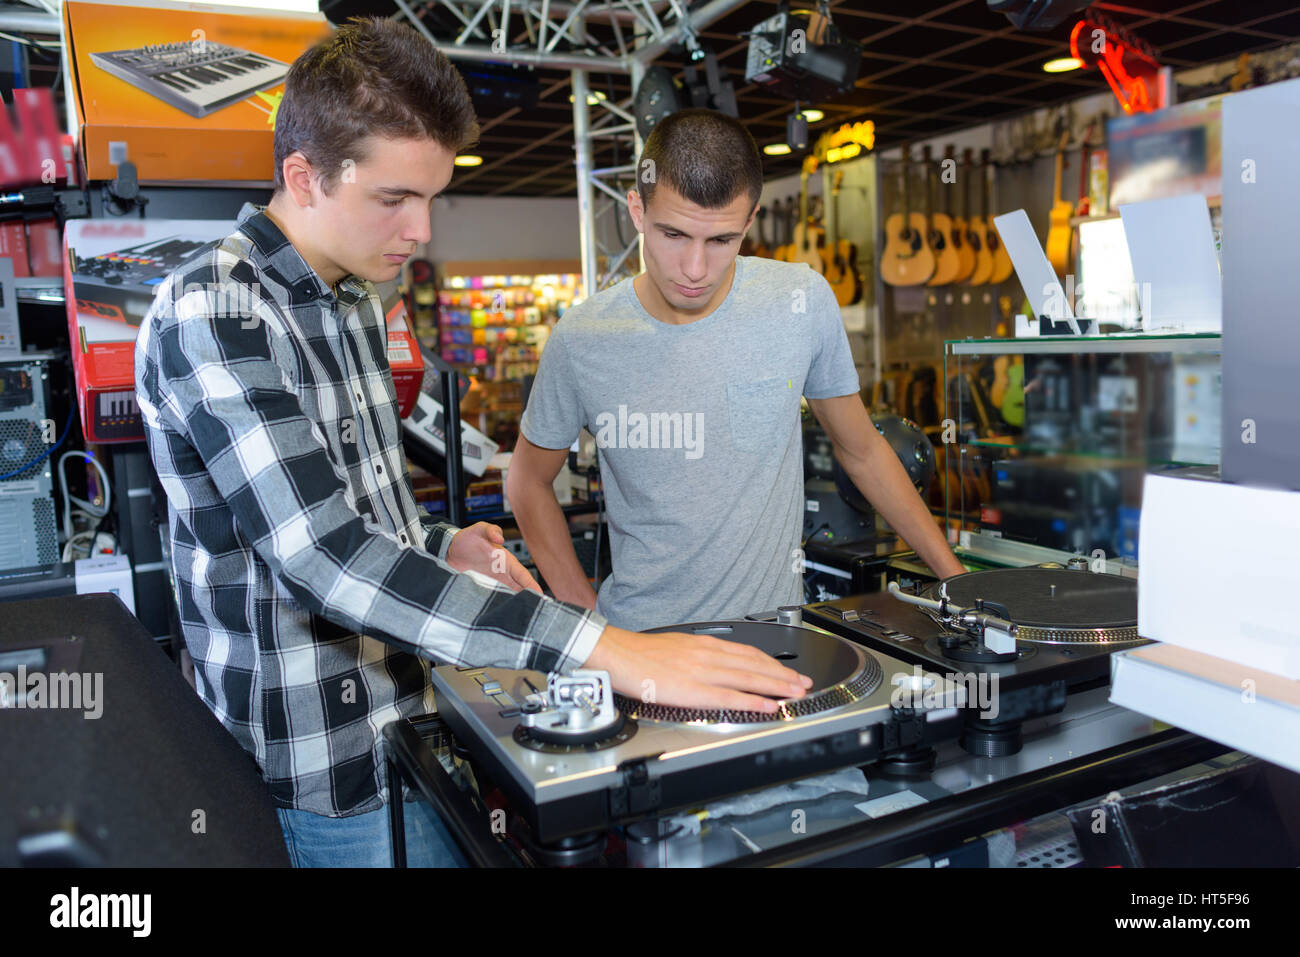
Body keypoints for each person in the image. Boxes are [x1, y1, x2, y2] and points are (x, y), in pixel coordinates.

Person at [134, 20, 810, 868]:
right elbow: (325, 557)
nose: (420, 231)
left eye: (431, 197)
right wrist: (604, 646)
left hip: (415, 724)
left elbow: (363, 513)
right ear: (303, 177)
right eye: (394, 198)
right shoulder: (213, 311)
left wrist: (444, 543)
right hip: (326, 771)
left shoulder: (356, 303)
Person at [507, 109, 966, 633]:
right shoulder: (583, 338)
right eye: (673, 234)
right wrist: (592, 628)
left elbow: (862, 451)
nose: (696, 269)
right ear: (637, 210)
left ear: (749, 222)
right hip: (645, 643)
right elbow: (527, 483)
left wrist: (956, 580)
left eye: (722, 240)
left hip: (779, 641)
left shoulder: (801, 299)